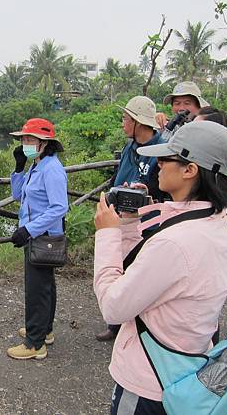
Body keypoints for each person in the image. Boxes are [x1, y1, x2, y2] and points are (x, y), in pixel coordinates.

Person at [93, 121, 227, 413]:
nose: (157, 164)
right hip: (184, 367)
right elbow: (150, 274)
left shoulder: (176, 242)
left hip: (149, 383)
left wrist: (107, 234)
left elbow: (113, 306)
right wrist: (129, 222)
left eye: (165, 158)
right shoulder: (215, 222)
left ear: (190, 170)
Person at [96, 95, 166, 342]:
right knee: (120, 266)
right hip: (123, 218)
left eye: (126, 118)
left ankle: (140, 326)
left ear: (138, 122)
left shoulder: (161, 150)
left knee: (143, 274)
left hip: (149, 223)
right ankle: (116, 324)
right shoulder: (130, 147)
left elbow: (165, 189)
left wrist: (146, 193)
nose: (123, 123)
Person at [7, 118, 68, 360]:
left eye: (30, 140)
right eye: (24, 139)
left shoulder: (52, 169)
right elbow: (17, 195)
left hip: (42, 235)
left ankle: (34, 343)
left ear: (45, 143)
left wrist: (28, 230)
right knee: (45, 287)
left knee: (37, 289)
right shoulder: (37, 164)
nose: (25, 144)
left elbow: (58, 207)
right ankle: (45, 331)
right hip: (35, 233)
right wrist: (19, 168)